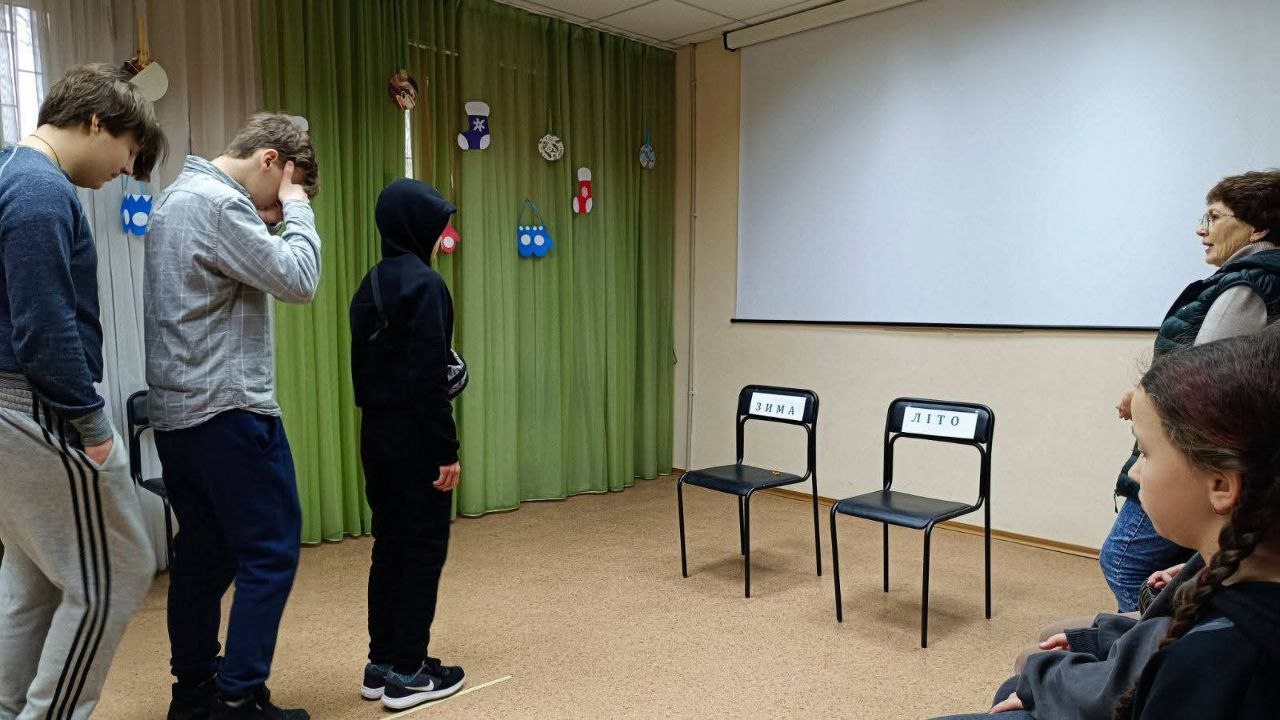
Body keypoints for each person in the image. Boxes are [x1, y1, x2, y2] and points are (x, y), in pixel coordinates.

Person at [939, 326, 1280, 719]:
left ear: (1221, 484)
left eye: (1145, 453)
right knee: (1018, 684)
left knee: (1018, 683)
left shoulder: (1211, 663)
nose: (1134, 472)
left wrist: (1044, 682)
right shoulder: (1235, 576)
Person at [0, 63, 165, 720]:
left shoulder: (13, 173)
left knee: (32, 580)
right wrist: (95, 429)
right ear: (96, 122)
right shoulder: (39, 189)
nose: (126, 169)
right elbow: (45, 327)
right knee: (117, 571)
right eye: (128, 150)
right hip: (33, 408)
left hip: (13, 408)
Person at [143, 113, 319, 720]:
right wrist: (298, 209)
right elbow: (299, 279)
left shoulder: (175, 198)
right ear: (271, 161)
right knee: (270, 553)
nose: (273, 216)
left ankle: (194, 693)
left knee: (203, 554)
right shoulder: (221, 204)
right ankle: (239, 698)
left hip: (178, 416)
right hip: (229, 410)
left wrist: (279, 208)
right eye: (279, 195)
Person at [1101, 171, 1280, 612]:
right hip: (1230, 465)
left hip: (1198, 459)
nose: (1202, 229)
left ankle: (1151, 645)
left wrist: (1144, 397)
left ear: (1258, 228)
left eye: (1214, 217)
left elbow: (1201, 387)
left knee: (1124, 560)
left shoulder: (1248, 284)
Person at [349, 179, 466, 711]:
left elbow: (383, 368)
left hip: (376, 436)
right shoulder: (427, 285)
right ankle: (409, 673)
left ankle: (382, 664)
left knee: (390, 545)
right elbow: (427, 381)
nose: (441, 234)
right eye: (438, 225)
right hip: (418, 440)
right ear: (417, 227)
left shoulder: (369, 284)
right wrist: (447, 449)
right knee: (423, 549)